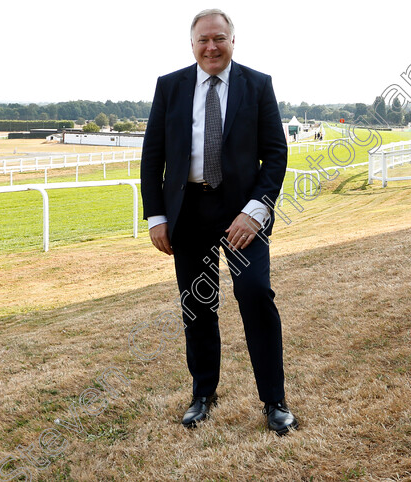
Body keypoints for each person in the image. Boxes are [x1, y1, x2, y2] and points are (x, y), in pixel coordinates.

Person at [140, 8, 298, 436]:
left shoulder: (258, 85)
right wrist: (156, 215)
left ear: (233, 40)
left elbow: (275, 155)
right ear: (192, 44)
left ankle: (274, 400)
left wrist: (256, 210)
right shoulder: (169, 86)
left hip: (243, 215)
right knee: (197, 308)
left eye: (219, 39)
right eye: (203, 40)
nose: (211, 46)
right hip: (188, 213)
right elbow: (153, 156)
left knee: (255, 296)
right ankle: (203, 394)